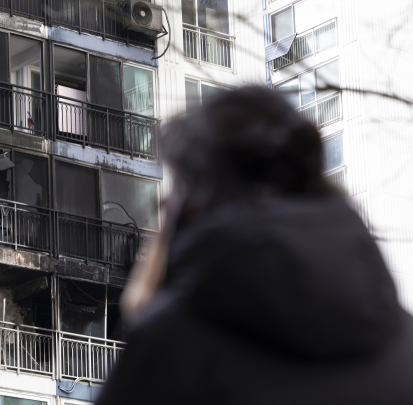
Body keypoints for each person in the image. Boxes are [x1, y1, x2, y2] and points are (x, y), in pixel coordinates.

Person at [95, 87, 413, 404]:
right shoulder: (401, 336)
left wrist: (145, 321)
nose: (165, 201)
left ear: (196, 199)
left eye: (179, 184)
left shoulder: (173, 344)